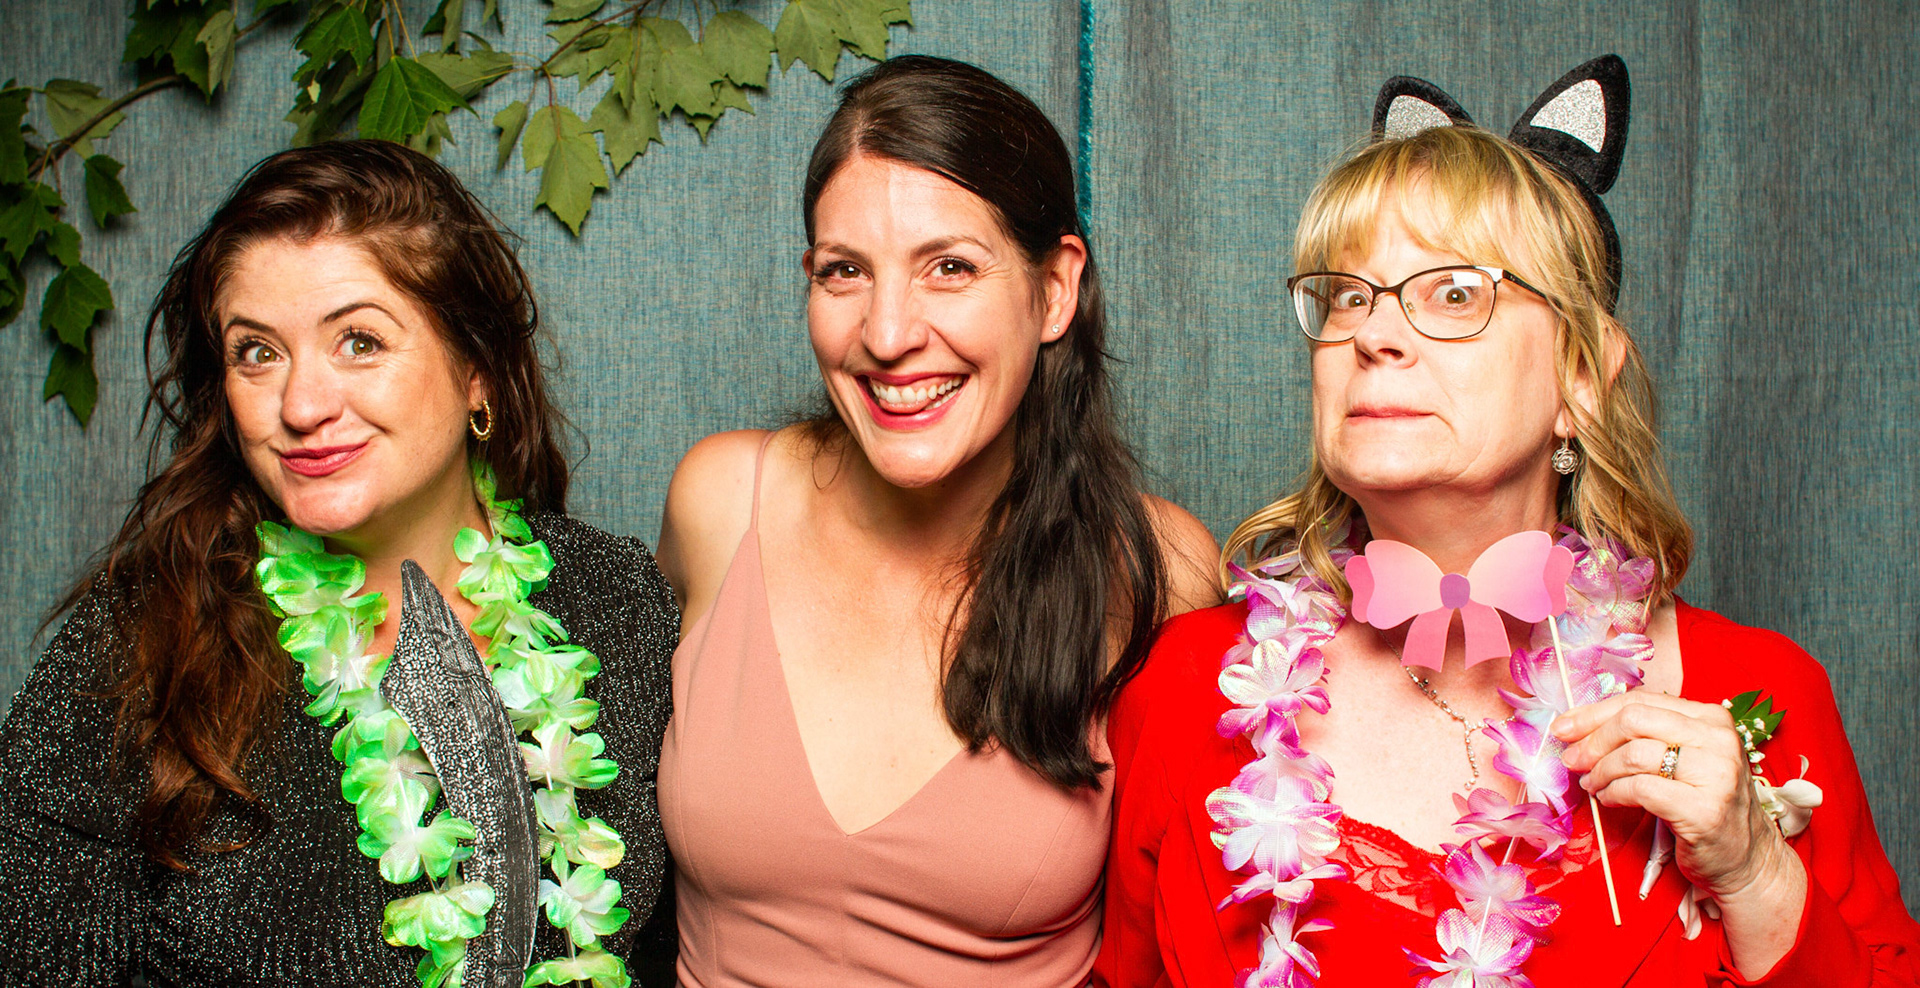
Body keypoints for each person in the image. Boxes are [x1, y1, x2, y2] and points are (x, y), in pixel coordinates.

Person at [1097, 58, 1920, 987]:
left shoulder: (1756, 695)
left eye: (1455, 293)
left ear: (1581, 379)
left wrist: (1755, 871)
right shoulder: (1187, 692)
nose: (1373, 334)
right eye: (1350, 295)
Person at [0, 141, 677, 987]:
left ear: (478, 370)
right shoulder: (139, 636)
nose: (301, 406)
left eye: (359, 341)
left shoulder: (615, 597)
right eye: (257, 352)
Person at [655, 55, 1220, 986]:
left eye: (949, 267)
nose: (888, 335)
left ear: (1055, 290)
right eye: (845, 272)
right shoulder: (719, 501)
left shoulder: (1152, 565)